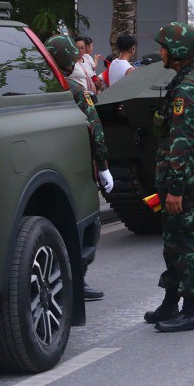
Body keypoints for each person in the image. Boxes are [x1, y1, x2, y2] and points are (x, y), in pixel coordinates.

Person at [143, 22, 194, 333]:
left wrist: (174, 188)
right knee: (173, 243)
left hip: (184, 179)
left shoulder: (186, 89)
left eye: (165, 46)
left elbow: (183, 141)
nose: (160, 51)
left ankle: (192, 309)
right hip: (184, 175)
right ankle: (171, 302)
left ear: (178, 51)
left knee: (186, 243)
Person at [45, 35, 114, 302]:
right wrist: (104, 165)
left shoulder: (38, 86)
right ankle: (77, 280)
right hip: (75, 168)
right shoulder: (72, 89)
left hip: (46, 169)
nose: (76, 59)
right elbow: (95, 128)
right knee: (86, 224)